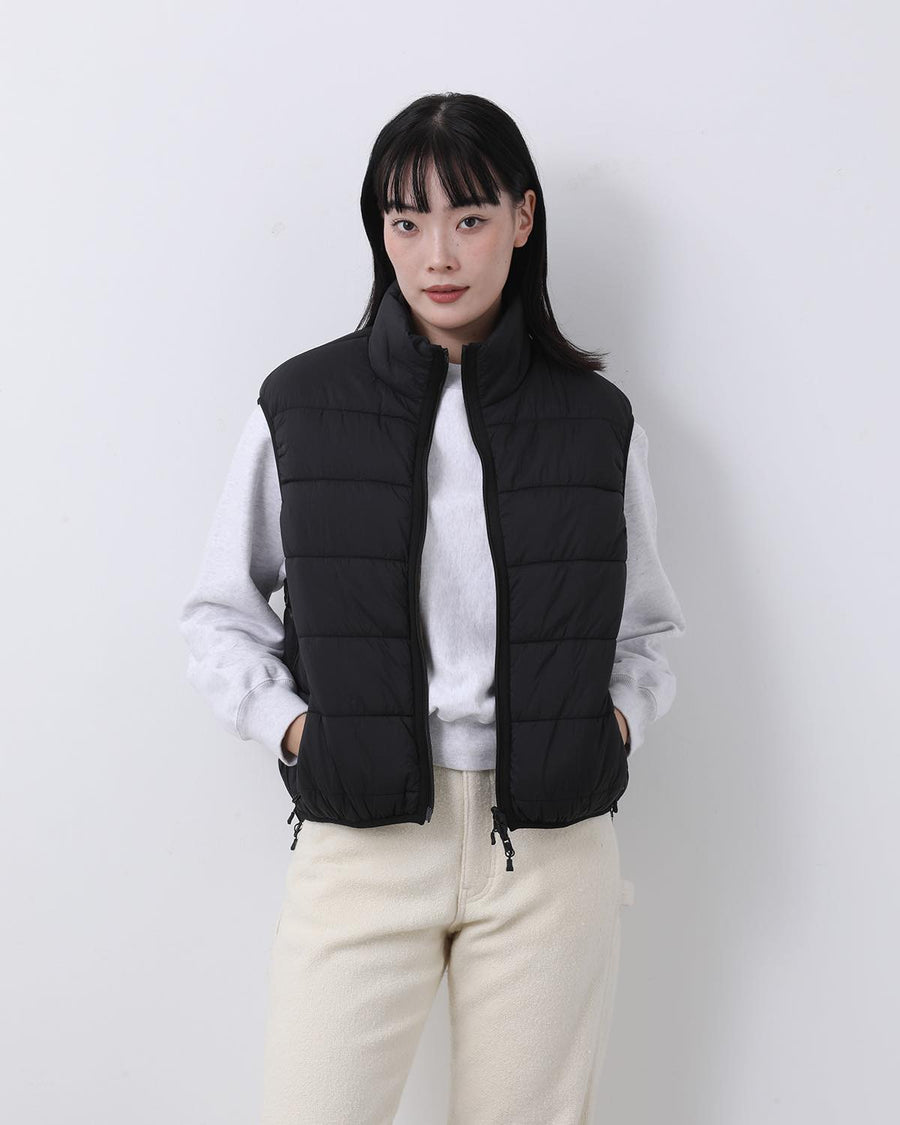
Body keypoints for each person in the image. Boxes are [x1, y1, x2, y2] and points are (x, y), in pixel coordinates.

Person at [179, 92, 686, 1125]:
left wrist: (613, 724)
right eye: (406, 221)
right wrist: (298, 730)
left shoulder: (595, 421)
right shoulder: (302, 405)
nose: (438, 254)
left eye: (470, 217)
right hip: (362, 846)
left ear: (523, 219)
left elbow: (645, 628)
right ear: (381, 231)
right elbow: (219, 612)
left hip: (551, 854)